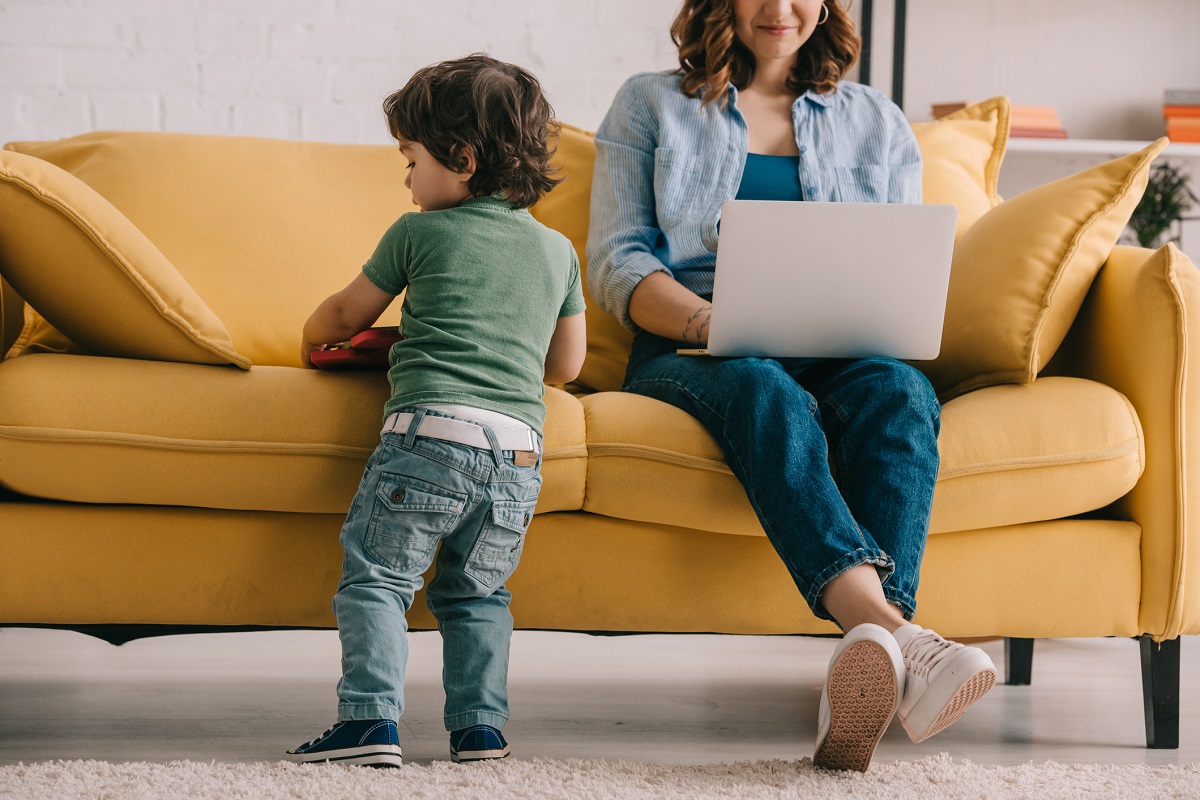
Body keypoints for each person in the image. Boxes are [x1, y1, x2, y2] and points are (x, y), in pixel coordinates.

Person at [587, 0, 995, 773]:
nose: (781, 8)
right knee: (763, 388)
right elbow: (618, 262)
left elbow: (894, 261)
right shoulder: (649, 104)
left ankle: (868, 663)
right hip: (694, 342)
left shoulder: (877, 120)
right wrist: (714, 322)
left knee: (903, 395)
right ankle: (901, 640)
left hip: (838, 342)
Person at [289, 53, 587, 768]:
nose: (408, 179)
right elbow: (565, 367)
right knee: (479, 594)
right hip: (517, 458)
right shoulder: (557, 252)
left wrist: (310, 334)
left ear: (459, 157)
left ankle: (368, 722)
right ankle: (480, 730)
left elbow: (342, 313)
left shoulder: (416, 233)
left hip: (429, 440)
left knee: (378, 580)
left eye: (410, 160)